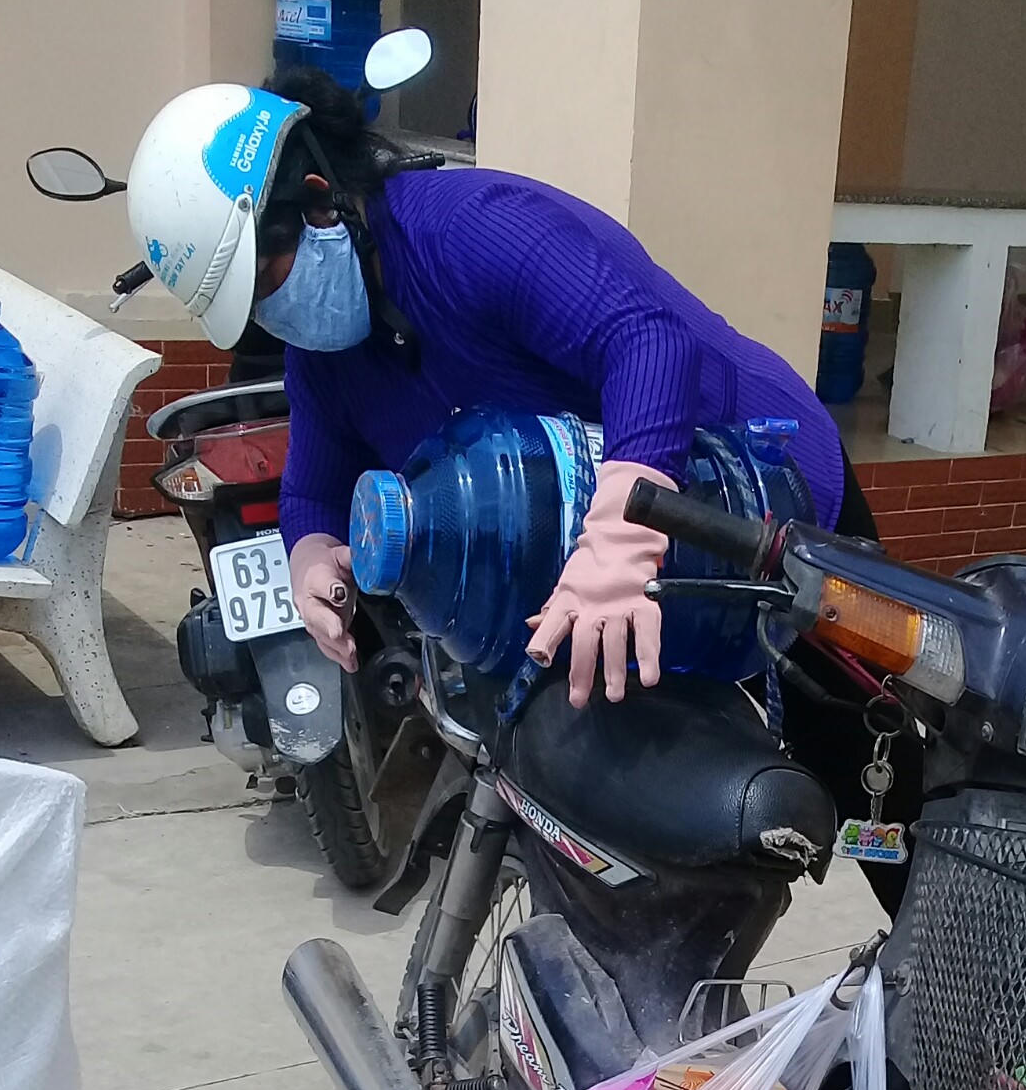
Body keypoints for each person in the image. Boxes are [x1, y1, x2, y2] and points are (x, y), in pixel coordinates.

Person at [123, 72, 887, 729]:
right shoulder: (327, 357)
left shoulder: (474, 231)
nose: (274, 315)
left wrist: (621, 537)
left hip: (769, 499)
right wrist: (311, 555)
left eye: (267, 281)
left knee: (863, 761)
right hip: (607, 593)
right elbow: (311, 490)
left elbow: (648, 344)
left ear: (318, 204)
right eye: (252, 309)